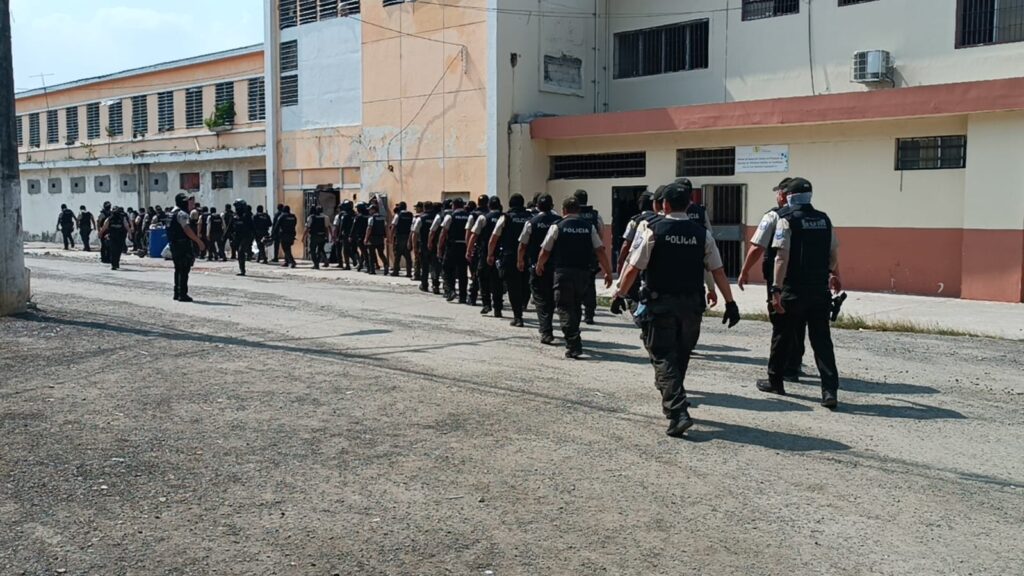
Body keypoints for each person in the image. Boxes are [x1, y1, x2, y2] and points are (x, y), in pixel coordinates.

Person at [611, 180, 741, 437]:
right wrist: (730, 302)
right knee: (680, 356)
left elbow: (634, 267)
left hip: (661, 306)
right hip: (692, 307)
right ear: (689, 205)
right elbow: (718, 270)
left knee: (662, 356)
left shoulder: (652, 229)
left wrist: (620, 293)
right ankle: (675, 397)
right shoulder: (702, 233)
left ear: (665, 205)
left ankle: (678, 412)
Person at [757, 177, 842, 408]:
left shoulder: (786, 219)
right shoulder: (824, 219)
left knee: (782, 335)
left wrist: (775, 288)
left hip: (793, 289)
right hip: (819, 290)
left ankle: (775, 381)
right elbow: (833, 253)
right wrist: (831, 274)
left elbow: (781, 257)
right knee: (822, 341)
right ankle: (829, 391)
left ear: (789, 196)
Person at [738, 178, 805, 381]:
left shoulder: (773, 216)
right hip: (803, 276)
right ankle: (794, 364)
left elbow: (757, 247)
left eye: (778, 192)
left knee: (781, 321)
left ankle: (781, 369)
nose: (776, 196)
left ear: (783, 195)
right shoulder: (810, 216)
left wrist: (744, 270)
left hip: (778, 277)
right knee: (799, 320)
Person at [535, 196, 614, 359]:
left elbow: (546, 250)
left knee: (564, 307)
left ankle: (573, 344)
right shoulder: (588, 227)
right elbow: (600, 250)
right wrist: (608, 271)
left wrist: (539, 264)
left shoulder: (557, 226)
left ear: (563, 210)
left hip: (563, 272)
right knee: (576, 305)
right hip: (583, 273)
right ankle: (574, 336)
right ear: (578, 210)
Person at [518, 194, 561, 344]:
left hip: (537, 266)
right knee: (551, 298)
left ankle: (546, 330)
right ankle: (548, 327)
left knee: (540, 298)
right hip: (556, 266)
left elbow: (523, 244)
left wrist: (520, 260)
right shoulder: (559, 221)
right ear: (552, 205)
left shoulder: (531, 222)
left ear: (537, 206)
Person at [488, 193, 531, 327]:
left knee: (513, 287)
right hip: (528, 256)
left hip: (510, 256)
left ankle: (518, 316)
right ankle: (523, 305)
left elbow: (494, 238)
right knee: (525, 284)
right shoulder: (530, 217)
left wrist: (490, 254)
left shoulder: (505, 217)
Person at [468, 195, 505, 317]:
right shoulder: (505, 217)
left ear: (489, 205)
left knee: (483, 278)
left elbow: (474, 235)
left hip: (485, 252)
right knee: (498, 281)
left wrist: (469, 250)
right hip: (501, 253)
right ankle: (498, 308)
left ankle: (486, 304)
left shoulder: (483, 218)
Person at [573, 189, 603, 325]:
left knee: (574, 284)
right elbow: (600, 234)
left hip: (574, 255)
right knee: (590, 284)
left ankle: (576, 312)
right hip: (590, 255)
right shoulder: (595, 215)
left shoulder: (572, 215)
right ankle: (589, 315)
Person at [168, 194, 205, 302]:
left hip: (174, 244)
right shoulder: (181, 214)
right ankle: (182, 294)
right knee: (184, 269)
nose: (188, 203)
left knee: (178, 269)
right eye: (186, 201)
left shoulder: (171, 213)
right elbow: (186, 229)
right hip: (182, 244)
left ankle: (177, 292)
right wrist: (198, 241)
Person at [438, 197, 471, 303]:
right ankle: (463, 296)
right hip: (464, 246)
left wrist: (439, 248)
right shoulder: (469, 216)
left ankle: (451, 290)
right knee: (462, 272)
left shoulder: (450, 216)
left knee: (447, 269)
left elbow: (443, 233)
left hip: (452, 246)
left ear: (454, 205)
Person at [415, 201, 441, 294]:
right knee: (434, 266)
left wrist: (414, 247)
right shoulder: (437, 217)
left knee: (424, 266)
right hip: (435, 245)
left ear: (424, 208)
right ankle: (435, 285)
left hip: (424, 244)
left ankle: (424, 285)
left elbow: (415, 233)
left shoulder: (420, 218)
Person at [364, 203, 389, 274]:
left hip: (372, 238)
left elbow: (369, 228)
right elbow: (386, 228)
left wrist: (366, 238)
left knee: (371, 255)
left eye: (370, 210)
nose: (369, 211)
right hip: (380, 238)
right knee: (381, 254)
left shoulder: (371, 218)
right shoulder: (382, 218)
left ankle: (372, 270)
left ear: (374, 210)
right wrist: (387, 237)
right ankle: (386, 265)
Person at [391, 201, 414, 277]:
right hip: (408, 236)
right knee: (407, 255)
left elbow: (393, 226)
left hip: (399, 237)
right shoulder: (410, 215)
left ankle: (396, 271)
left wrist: (391, 237)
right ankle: (409, 272)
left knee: (397, 254)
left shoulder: (398, 215)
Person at [233, 199, 255, 276]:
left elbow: (252, 227)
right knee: (239, 253)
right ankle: (241, 268)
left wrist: (254, 236)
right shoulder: (235, 215)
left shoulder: (248, 215)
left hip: (246, 236)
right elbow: (230, 226)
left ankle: (243, 270)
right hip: (238, 236)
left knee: (241, 251)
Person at [305, 205, 330, 269]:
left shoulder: (311, 217)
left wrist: (304, 237)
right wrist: (327, 237)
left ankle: (316, 264)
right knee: (320, 250)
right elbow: (326, 229)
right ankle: (317, 263)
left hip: (314, 236)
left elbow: (307, 228)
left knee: (312, 251)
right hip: (322, 236)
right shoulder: (325, 217)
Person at [337, 201, 356, 270]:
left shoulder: (345, 215)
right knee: (352, 249)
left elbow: (342, 226)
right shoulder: (355, 214)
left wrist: (339, 236)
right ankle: (355, 259)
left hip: (346, 234)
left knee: (345, 250)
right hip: (355, 234)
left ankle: (348, 265)